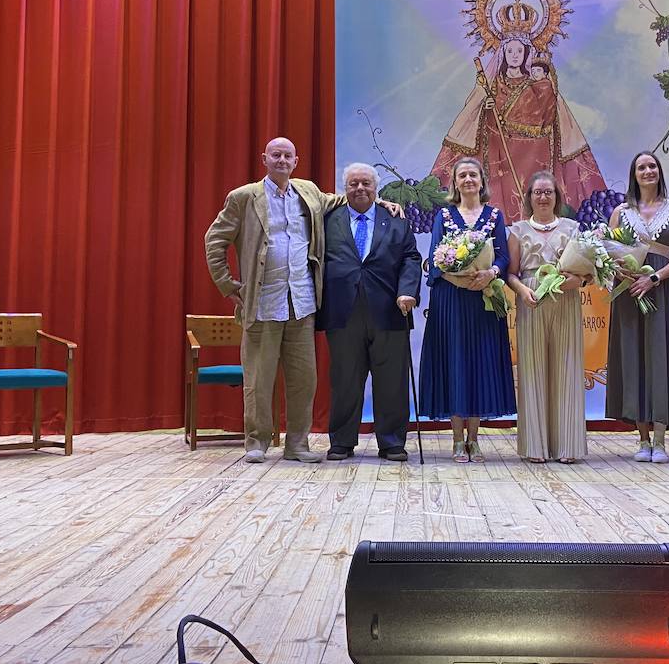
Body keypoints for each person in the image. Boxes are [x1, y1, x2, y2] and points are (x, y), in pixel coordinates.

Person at [204, 137, 399, 464]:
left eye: (288, 156)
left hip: (302, 303)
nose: (282, 160)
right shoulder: (243, 197)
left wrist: (380, 202)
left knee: (303, 380)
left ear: (296, 161)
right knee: (258, 380)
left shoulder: (308, 192)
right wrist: (227, 284)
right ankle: (256, 442)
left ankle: (297, 444)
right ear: (264, 158)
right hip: (262, 303)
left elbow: (347, 198)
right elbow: (214, 241)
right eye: (276, 155)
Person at [428, 35, 607, 223]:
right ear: (503, 54)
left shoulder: (536, 83)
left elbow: (548, 115)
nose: (515, 55)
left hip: (532, 154)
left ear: (526, 54)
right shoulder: (492, 83)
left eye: (520, 51)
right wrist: (485, 107)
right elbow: (474, 110)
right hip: (498, 151)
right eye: (510, 51)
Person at [317, 163, 422, 462]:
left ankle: (392, 443)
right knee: (345, 379)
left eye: (366, 183)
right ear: (345, 188)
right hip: (342, 311)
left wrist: (408, 291)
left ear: (376, 188)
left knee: (391, 380)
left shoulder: (396, 219)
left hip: (390, 309)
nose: (360, 188)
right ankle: (341, 441)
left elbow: (411, 257)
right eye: (353, 184)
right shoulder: (328, 220)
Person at [419, 156, 516, 462]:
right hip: (451, 299)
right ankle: (457, 440)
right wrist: (458, 278)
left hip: (483, 299)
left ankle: (474, 439)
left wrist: (491, 273)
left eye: (473, 174)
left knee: (479, 363)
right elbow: (436, 258)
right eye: (462, 175)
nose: (468, 180)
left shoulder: (495, 215)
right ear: (455, 182)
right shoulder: (444, 215)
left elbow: (503, 257)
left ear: (482, 181)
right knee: (454, 362)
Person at [606, 152, 669, 463]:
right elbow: (610, 254)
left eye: (652, 166)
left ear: (659, 171)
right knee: (633, 358)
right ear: (634, 174)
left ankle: (660, 440)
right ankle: (642, 439)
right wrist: (623, 274)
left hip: (663, 289)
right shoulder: (620, 212)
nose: (647, 171)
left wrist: (654, 278)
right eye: (641, 167)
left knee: (662, 357)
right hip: (629, 292)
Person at [507, 171, 587, 464]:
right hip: (532, 299)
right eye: (537, 192)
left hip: (565, 298)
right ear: (529, 197)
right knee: (532, 370)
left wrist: (579, 280)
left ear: (557, 197)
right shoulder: (517, 230)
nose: (542, 197)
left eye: (548, 192)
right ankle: (535, 446)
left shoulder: (573, 228)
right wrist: (521, 291)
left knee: (567, 367)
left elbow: (585, 271)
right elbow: (511, 273)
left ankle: (568, 446)